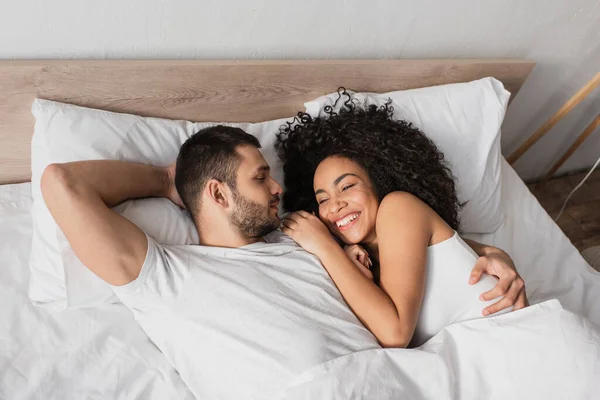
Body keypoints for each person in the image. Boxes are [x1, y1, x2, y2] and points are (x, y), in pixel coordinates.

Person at [41, 125, 525, 398]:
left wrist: (489, 252)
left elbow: (404, 243)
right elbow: (63, 184)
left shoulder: (305, 234)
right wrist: (165, 181)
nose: (277, 189)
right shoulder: (166, 275)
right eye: (260, 178)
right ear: (218, 193)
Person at [276, 100, 528, 347]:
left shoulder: (397, 207)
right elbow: (476, 250)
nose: (335, 205)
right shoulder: (367, 259)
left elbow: (395, 335)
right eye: (323, 199)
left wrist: (325, 247)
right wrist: (498, 255)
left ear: (379, 181)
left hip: (508, 345)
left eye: (347, 186)